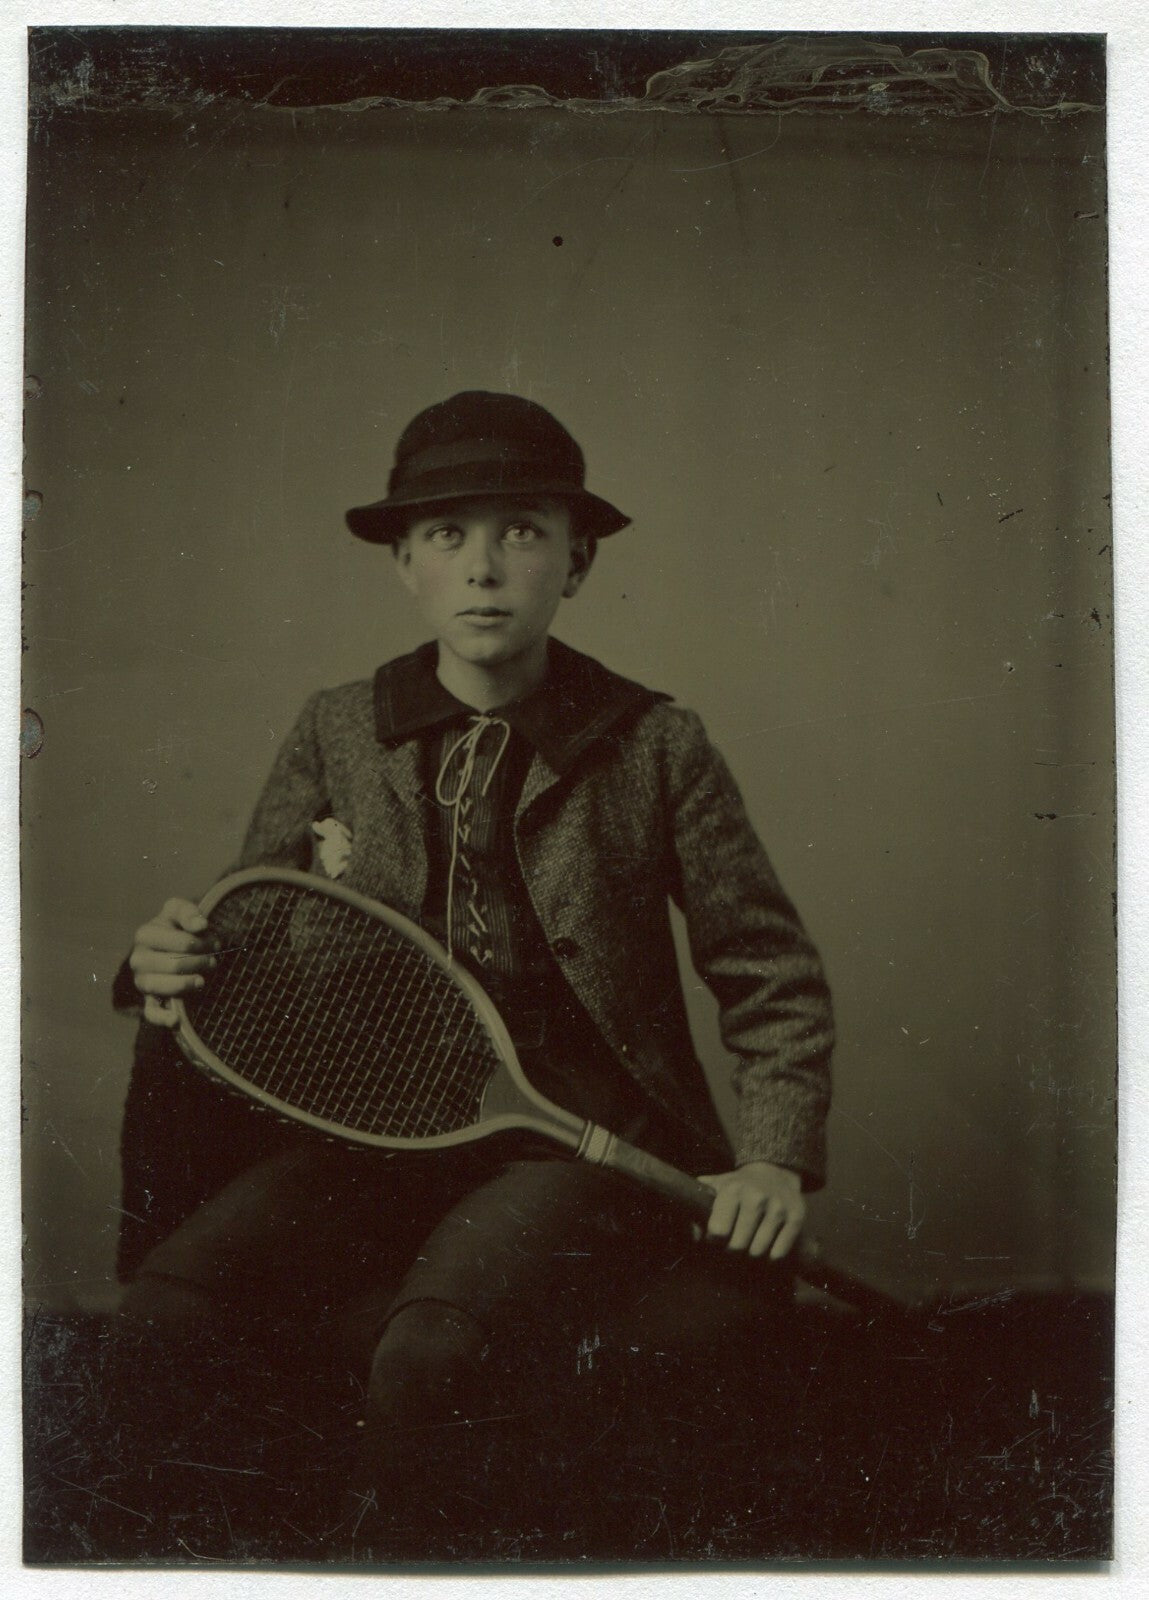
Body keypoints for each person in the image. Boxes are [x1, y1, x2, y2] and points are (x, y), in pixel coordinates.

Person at [113, 391, 834, 1557]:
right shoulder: (337, 729)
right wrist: (172, 963)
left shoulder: (655, 743)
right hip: (377, 1125)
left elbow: (771, 971)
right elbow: (249, 932)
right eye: (448, 534)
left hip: (579, 1138)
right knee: (168, 1307)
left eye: (523, 532)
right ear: (404, 563)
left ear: (578, 562)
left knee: (433, 1350)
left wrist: (773, 1155)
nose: (485, 567)